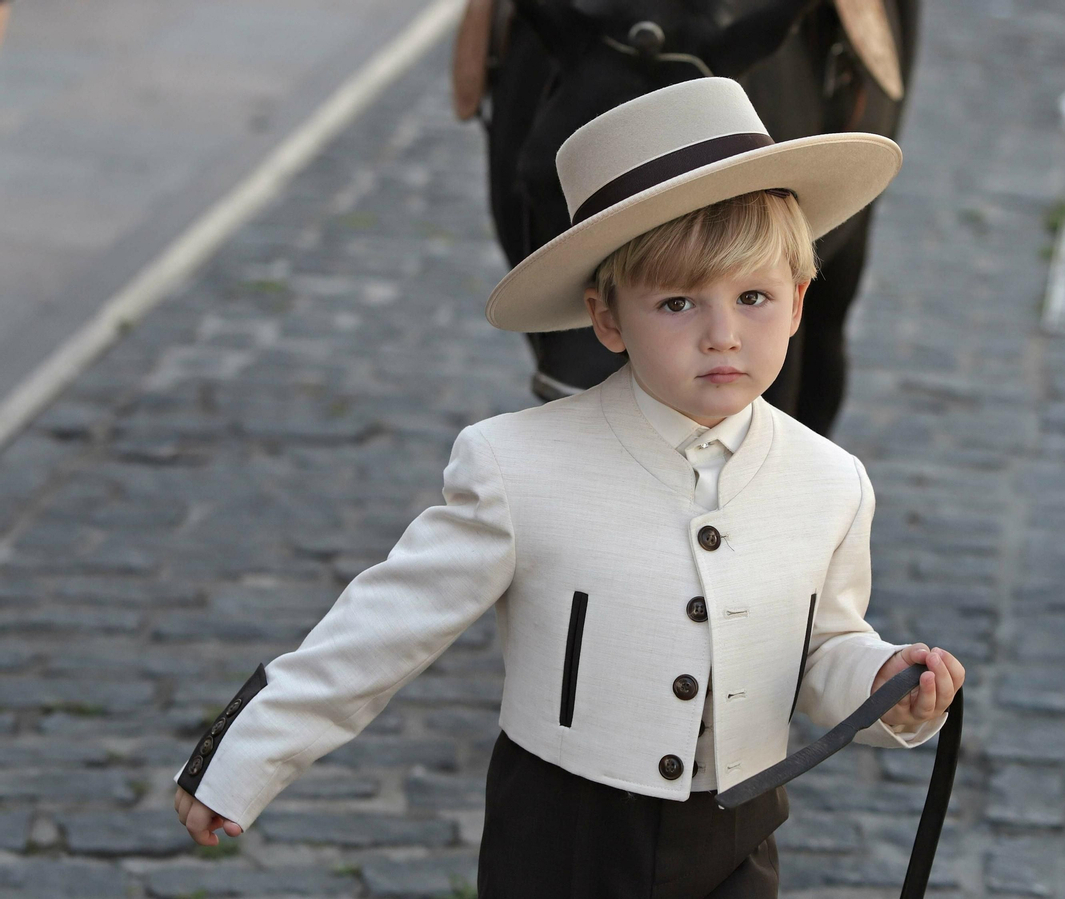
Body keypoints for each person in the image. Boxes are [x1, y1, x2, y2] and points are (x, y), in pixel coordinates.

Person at [170, 77, 964, 898]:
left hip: (735, 835)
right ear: (607, 318)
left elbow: (817, 650)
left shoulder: (830, 481)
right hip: (561, 835)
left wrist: (883, 683)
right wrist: (244, 757)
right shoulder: (518, 464)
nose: (722, 333)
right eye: (679, 301)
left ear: (799, 301)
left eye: (753, 296)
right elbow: (385, 625)